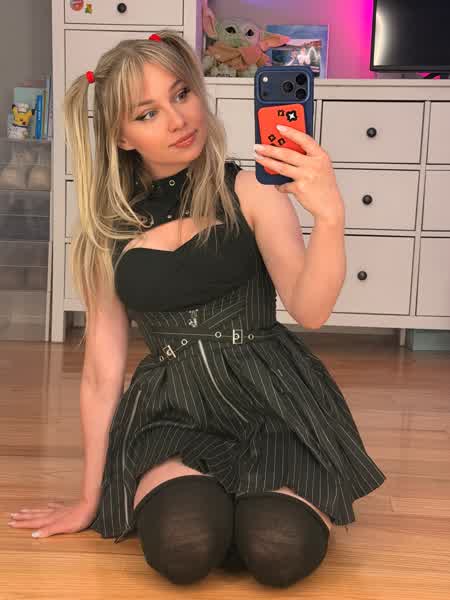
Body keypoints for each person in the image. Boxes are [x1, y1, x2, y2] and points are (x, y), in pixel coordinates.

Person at [8, 31, 386, 587]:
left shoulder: (252, 190)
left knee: (278, 548)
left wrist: (329, 215)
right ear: (121, 136)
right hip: (172, 411)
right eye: (148, 113)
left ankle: (247, 504)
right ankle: (212, 502)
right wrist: (89, 499)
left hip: (272, 402)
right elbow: (101, 375)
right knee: (184, 546)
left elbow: (310, 310)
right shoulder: (107, 231)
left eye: (181, 94)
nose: (178, 119)